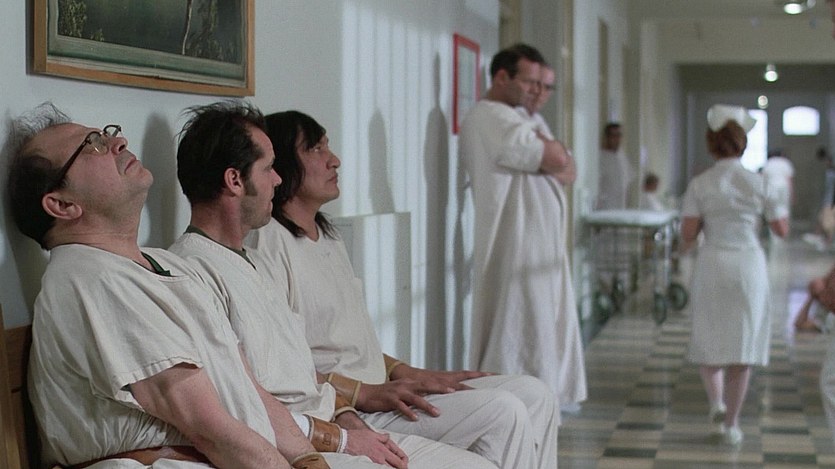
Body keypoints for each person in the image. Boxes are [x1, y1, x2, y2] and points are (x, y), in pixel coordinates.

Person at [168, 101, 498, 469]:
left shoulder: (250, 262)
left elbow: (305, 378)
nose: (278, 180)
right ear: (234, 181)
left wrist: (352, 423)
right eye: (268, 169)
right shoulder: (192, 273)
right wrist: (341, 438)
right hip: (299, 445)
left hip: (335, 422)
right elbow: (241, 404)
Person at [5, 103, 329, 468]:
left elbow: (249, 389)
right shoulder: (88, 279)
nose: (118, 142)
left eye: (107, 134)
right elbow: (212, 431)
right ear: (62, 205)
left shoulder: (168, 265)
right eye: (92, 144)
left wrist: (309, 460)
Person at [247, 110, 559, 469]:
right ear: (281, 165)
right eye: (316, 149)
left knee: (535, 394)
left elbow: (349, 342)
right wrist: (363, 393)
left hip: (383, 390)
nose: (334, 160)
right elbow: (285, 366)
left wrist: (406, 371)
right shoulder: (268, 243)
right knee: (503, 411)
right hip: (350, 407)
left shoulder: (328, 236)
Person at [457, 42, 586, 411]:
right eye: (530, 83)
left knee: (542, 333)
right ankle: (519, 413)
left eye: (544, 86)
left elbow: (569, 171)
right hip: (516, 248)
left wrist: (554, 154)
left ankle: (541, 410)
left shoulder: (526, 118)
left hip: (539, 249)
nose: (537, 92)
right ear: (502, 77)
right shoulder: (491, 116)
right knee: (520, 332)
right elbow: (557, 157)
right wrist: (553, 153)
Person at [680, 104, 789, 446]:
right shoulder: (759, 182)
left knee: (709, 336)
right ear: (743, 143)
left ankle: (716, 403)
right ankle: (732, 425)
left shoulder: (700, 183)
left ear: (711, 144)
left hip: (713, 261)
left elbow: (688, 233)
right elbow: (782, 229)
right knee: (743, 344)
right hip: (747, 264)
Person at [597, 122, 636, 209]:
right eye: (613, 135)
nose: (616, 139)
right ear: (607, 137)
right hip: (605, 208)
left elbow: (627, 183)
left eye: (619, 135)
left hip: (621, 207)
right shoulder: (600, 157)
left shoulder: (621, 156)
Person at [761, 149, 794, 217]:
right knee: (784, 208)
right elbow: (789, 180)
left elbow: (763, 179)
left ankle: (775, 223)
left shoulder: (768, 163)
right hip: (784, 187)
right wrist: (792, 193)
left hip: (771, 188)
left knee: (773, 209)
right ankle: (784, 222)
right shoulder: (785, 163)